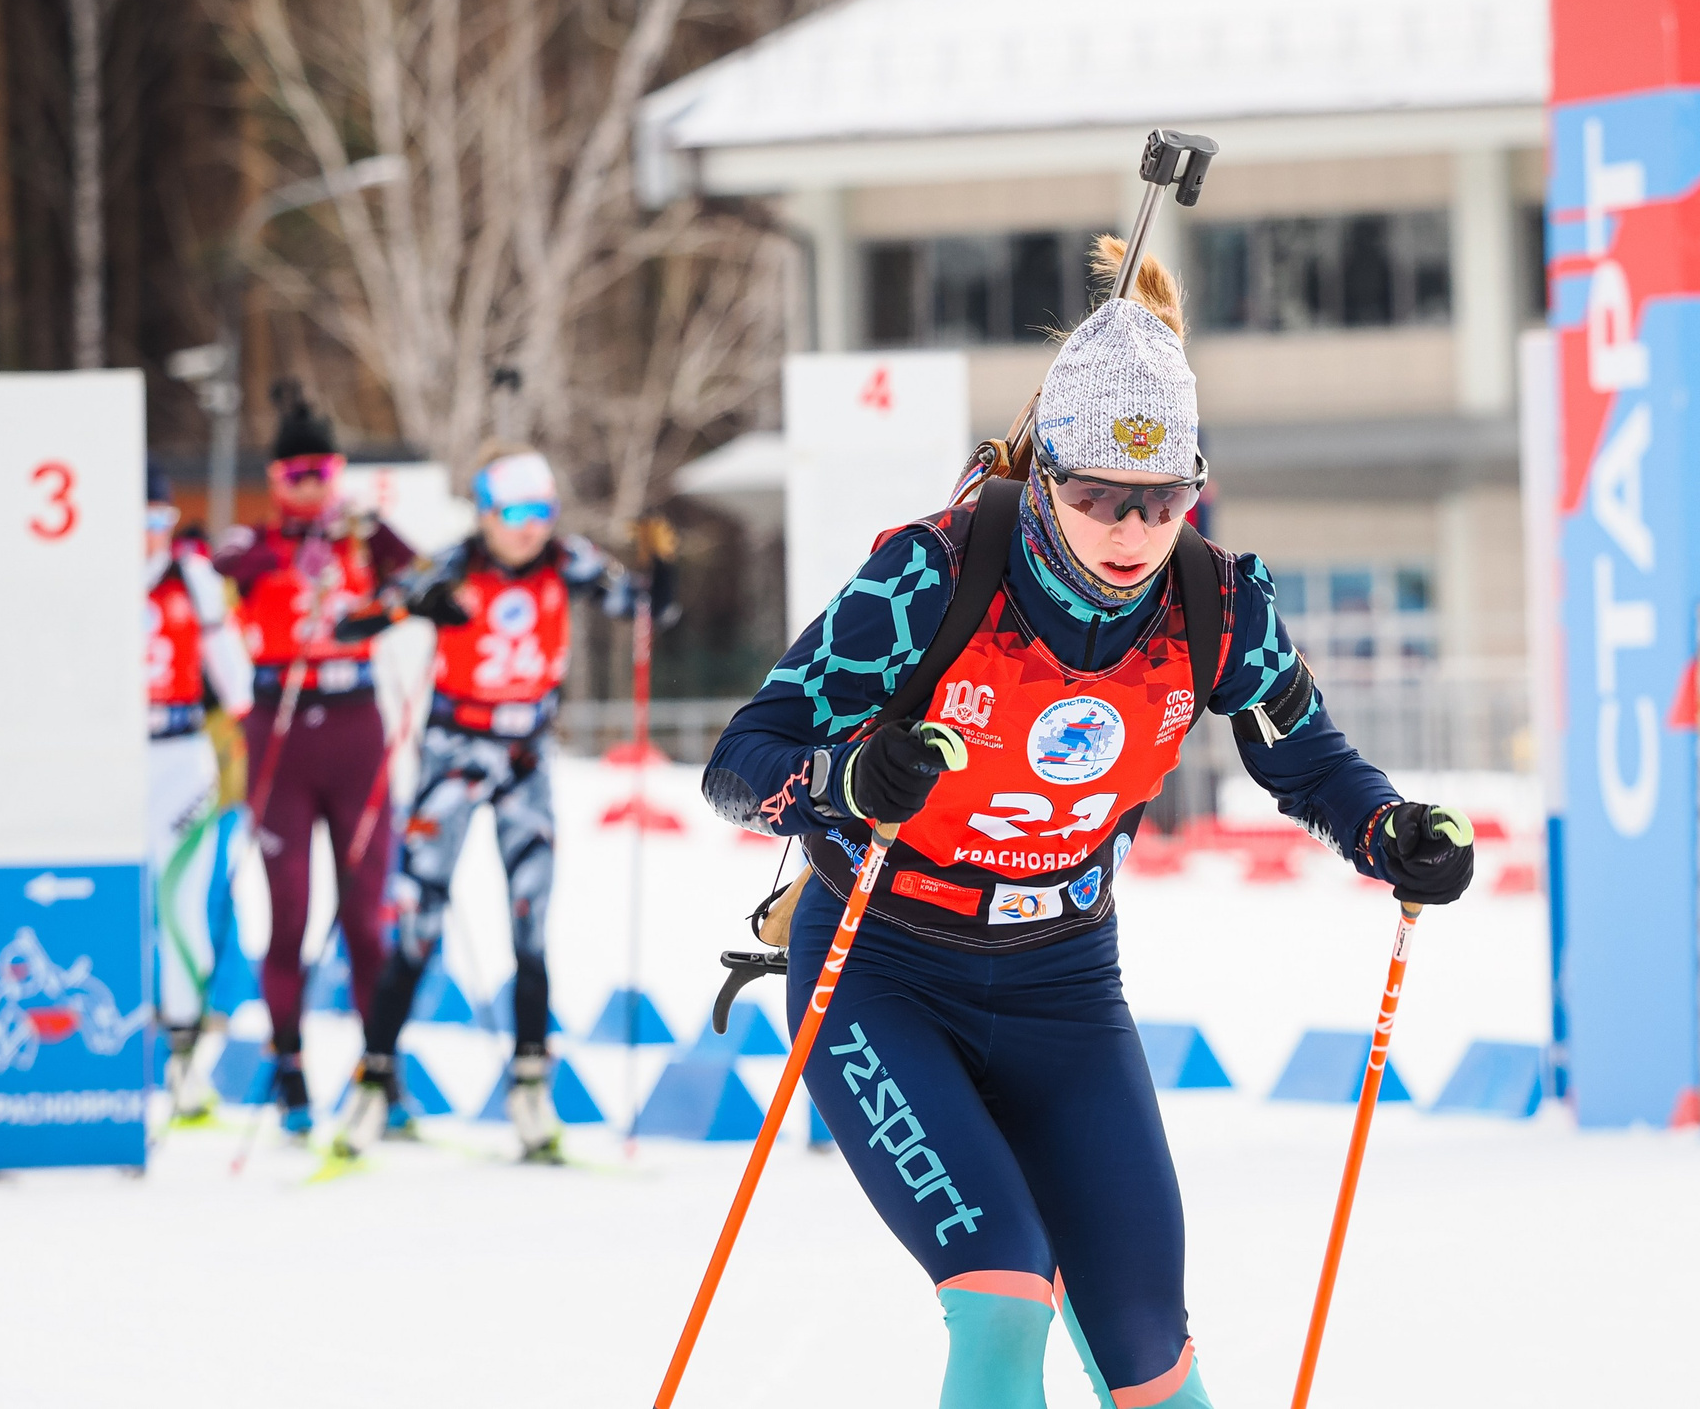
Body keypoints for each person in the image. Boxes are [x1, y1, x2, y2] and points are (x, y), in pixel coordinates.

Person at [703, 241, 1474, 1409]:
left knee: (1149, 1355)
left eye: (1161, 499)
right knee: (1006, 1296)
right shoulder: (931, 577)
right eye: (1096, 497)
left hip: (1063, 981)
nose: (1129, 529)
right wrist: (849, 779)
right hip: (881, 967)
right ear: (1044, 468)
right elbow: (740, 760)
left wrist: (1390, 833)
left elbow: (1306, 759)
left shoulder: (1217, 601)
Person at [334, 447, 638, 1160]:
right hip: (454, 753)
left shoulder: (569, 560)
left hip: (526, 756)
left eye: (541, 513)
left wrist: (664, 572)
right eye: (514, 514)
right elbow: (355, 624)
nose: (529, 529)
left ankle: (530, 1087)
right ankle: (374, 1082)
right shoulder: (453, 564)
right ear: (484, 513)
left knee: (530, 924)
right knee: (417, 917)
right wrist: (415, 603)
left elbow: (643, 602)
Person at [213, 392, 418, 1137]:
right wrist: (291, 544)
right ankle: (290, 1067)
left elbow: (424, 576)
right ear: (276, 476)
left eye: (323, 470)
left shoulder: (360, 537)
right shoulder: (260, 538)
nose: (311, 485)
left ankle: (379, 1071)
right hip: (282, 726)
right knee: (290, 910)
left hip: (356, 726)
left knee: (369, 916)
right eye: (298, 472)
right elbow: (222, 559)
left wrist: (377, 567)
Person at [143, 464, 254, 1116]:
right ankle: (116, 1050)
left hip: (182, 754)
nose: (148, 538)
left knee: (182, 905)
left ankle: (186, 1060)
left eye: (159, 522)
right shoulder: (95, 574)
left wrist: (214, 614)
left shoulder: (192, 578)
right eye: (137, 524)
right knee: (115, 909)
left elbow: (237, 686)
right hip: (111, 755)